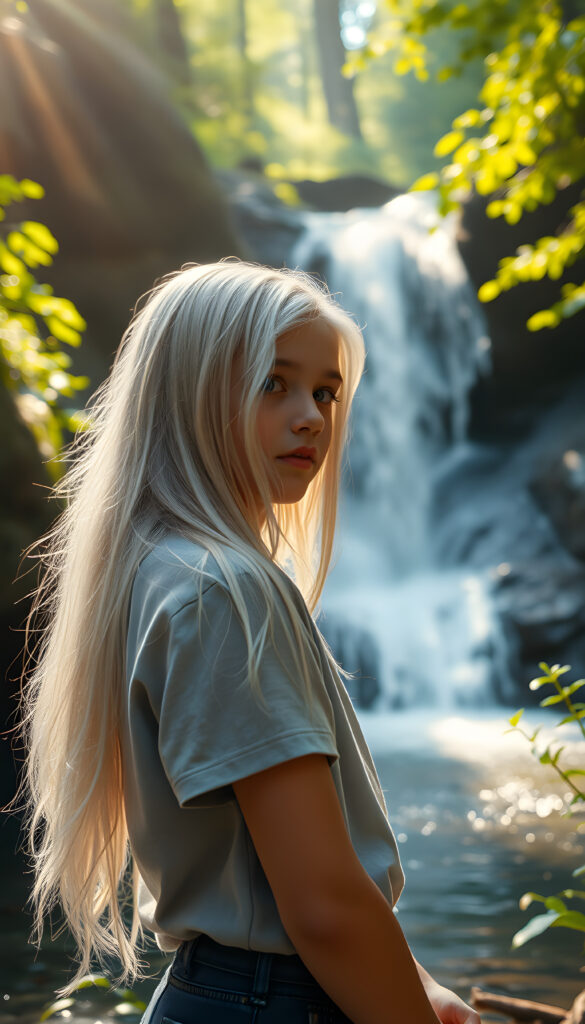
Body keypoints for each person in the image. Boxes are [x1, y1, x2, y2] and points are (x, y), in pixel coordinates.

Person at [19, 261, 480, 1024]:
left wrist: (419, 988)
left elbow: (294, 881)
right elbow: (322, 907)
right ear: (191, 392)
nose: (311, 417)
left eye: (325, 392)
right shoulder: (221, 589)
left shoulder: (161, 568)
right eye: (274, 383)